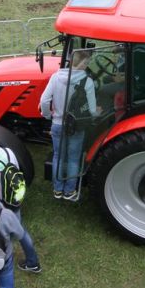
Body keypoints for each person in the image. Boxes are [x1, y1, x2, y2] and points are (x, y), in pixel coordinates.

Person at [0, 128, 41, 274]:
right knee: (20, 231)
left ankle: (2, 264)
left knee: (1, 238)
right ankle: (32, 262)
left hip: (1, 210)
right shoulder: (8, 151)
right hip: (15, 200)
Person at [39, 49, 99, 200]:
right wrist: (97, 111)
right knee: (73, 158)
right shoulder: (88, 82)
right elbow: (91, 110)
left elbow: (44, 101)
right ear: (81, 63)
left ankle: (58, 190)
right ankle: (69, 191)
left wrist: (47, 115)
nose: (87, 65)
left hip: (57, 124)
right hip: (76, 126)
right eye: (86, 62)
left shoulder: (56, 77)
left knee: (58, 156)